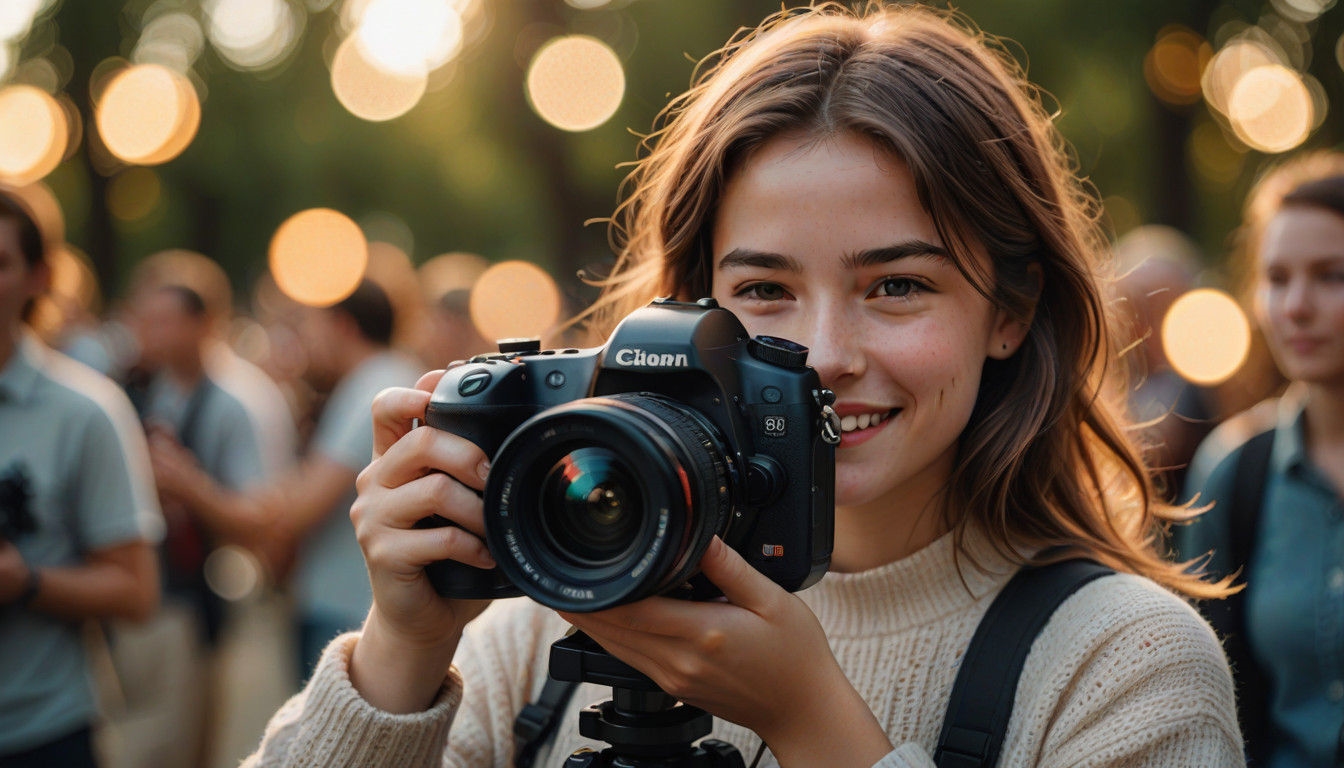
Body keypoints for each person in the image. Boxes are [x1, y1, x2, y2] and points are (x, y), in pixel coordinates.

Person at [245, 4, 1243, 766]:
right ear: (693, 310)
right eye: (763, 289)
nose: (826, 350)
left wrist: (810, 718)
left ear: (1012, 311)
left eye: (897, 286)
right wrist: (401, 655)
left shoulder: (1122, 665)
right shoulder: (553, 608)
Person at [148, 277, 422, 684]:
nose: (303, 342)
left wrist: (194, 487)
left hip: (346, 612)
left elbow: (298, 510)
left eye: (310, 326)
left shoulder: (375, 387)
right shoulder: (384, 377)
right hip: (356, 605)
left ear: (342, 326)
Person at [1177, 151, 1344, 767]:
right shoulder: (1234, 472)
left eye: (1331, 275)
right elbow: (1202, 692)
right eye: (1277, 278)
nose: (1297, 306)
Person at [0, 189, 163, 766]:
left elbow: (137, 591)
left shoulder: (85, 411)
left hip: (42, 731)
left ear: (39, 277)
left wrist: (25, 582)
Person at [1111, 225, 1219, 499]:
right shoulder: (1094, 381)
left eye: (1167, 308)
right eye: (1139, 308)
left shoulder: (1211, 386)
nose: (1151, 327)